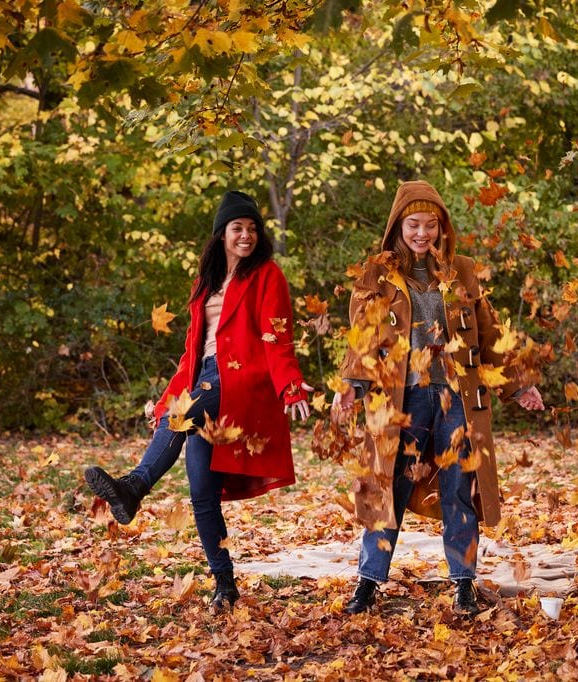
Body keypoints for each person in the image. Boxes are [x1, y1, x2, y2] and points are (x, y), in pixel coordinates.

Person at [84, 190, 313, 612]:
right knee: (202, 492)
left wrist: (291, 385)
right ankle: (224, 585)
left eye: (252, 228)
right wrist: (168, 400)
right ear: (221, 234)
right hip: (205, 379)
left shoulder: (268, 275)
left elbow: (276, 336)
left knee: (182, 418)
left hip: (239, 381)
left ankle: (134, 486)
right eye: (237, 228)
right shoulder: (205, 281)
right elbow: (192, 353)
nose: (245, 235)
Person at [331, 180, 544, 616]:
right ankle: (368, 584)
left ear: (442, 228)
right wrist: (351, 386)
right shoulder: (378, 274)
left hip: (455, 397)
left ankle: (463, 582)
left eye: (431, 224)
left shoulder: (462, 271)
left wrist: (518, 384)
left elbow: (489, 333)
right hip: (401, 399)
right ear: (398, 227)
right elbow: (362, 336)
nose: (422, 233)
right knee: (385, 489)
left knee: (457, 490)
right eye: (414, 224)